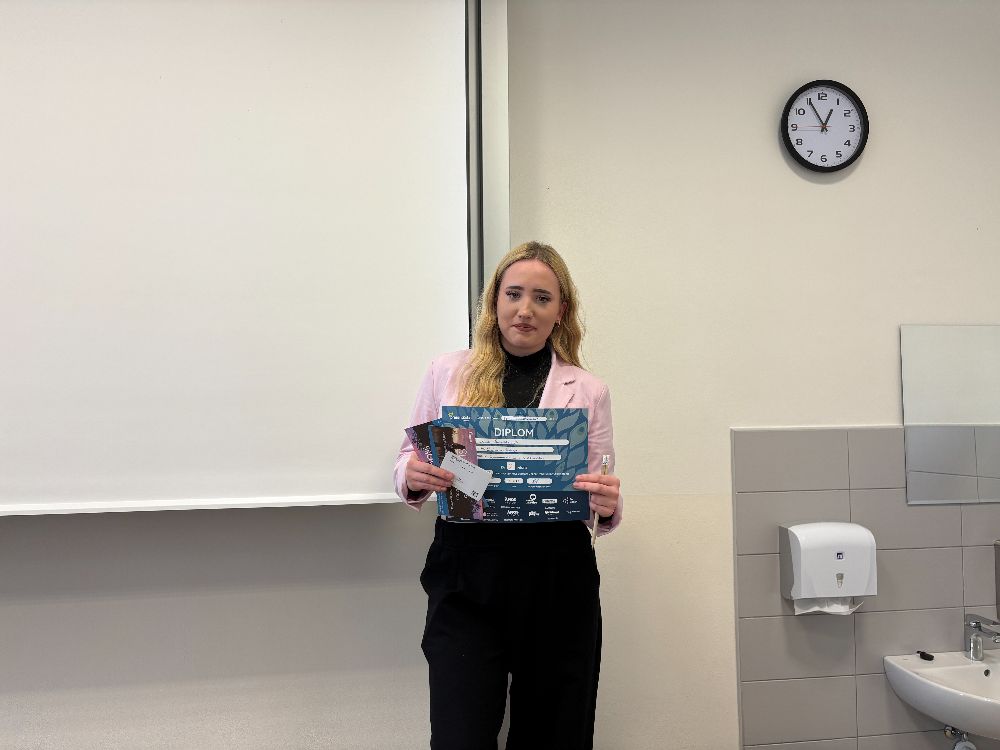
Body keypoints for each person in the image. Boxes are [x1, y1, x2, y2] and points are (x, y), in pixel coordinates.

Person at [393, 241, 622, 750]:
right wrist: (413, 472)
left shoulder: (588, 390)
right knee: (460, 733)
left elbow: (600, 485)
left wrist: (607, 504)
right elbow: (408, 456)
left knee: (555, 733)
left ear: (561, 311)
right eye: (514, 294)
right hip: (466, 572)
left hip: (558, 574)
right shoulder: (447, 371)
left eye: (542, 298)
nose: (525, 309)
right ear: (494, 300)